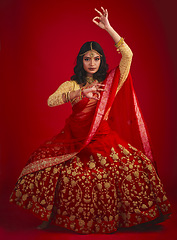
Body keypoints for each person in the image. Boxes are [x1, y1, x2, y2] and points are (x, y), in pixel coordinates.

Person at [10, 7, 171, 234]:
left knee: (137, 165)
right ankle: (53, 217)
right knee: (42, 164)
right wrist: (79, 94)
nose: (92, 62)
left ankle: (128, 219)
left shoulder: (110, 82)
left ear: (101, 60)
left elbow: (128, 55)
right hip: (73, 141)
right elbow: (50, 101)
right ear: (81, 61)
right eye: (87, 58)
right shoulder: (73, 84)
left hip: (103, 140)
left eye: (96, 58)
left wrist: (108, 28)